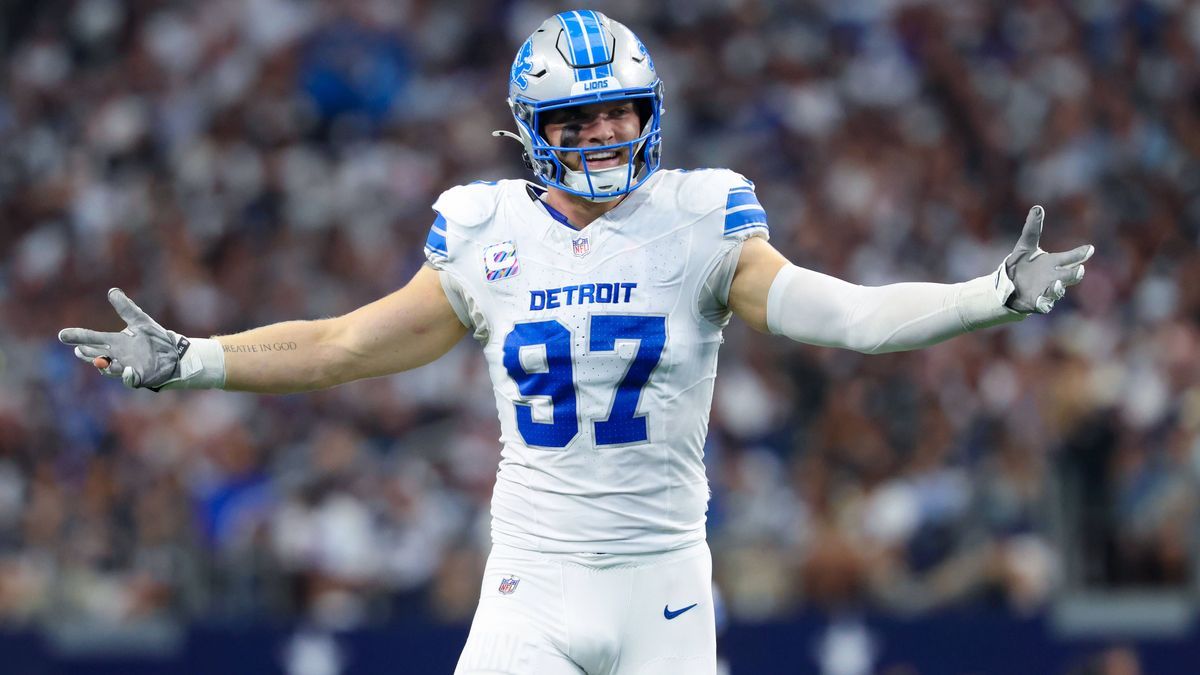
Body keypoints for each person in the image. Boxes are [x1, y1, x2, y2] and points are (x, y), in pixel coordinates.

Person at [58, 10, 1093, 675]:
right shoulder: (482, 229)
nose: (604, 134)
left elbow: (852, 316)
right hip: (532, 585)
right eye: (580, 117)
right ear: (531, 126)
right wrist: (194, 357)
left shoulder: (703, 219)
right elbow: (340, 344)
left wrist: (990, 293)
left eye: (620, 113)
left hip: (664, 583)